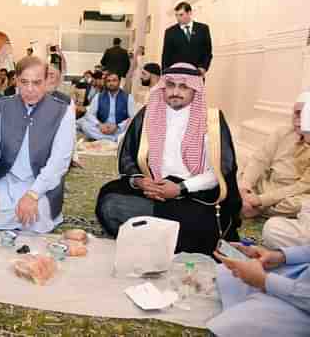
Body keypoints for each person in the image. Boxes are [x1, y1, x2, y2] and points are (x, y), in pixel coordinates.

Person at [96, 63, 242, 255]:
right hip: (152, 190)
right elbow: (128, 157)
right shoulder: (147, 114)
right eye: (170, 85)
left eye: (183, 87)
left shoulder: (212, 120)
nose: (175, 92)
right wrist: (141, 181)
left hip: (192, 196)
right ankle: (164, 237)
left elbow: (220, 170)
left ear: (195, 89)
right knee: (110, 205)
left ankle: (152, 235)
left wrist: (180, 188)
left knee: (202, 227)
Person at [0, 56, 75, 233]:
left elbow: (60, 161)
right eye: (24, 82)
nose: (30, 89)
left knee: (36, 219)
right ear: (16, 81)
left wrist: (33, 194)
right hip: (6, 180)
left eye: (37, 82)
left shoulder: (63, 110)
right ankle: (9, 216)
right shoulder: (2, 106)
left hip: (40, 185)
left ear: (46, 81)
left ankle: (17, 217)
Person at [207, 243, 310, 337]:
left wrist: (265, 281)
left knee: (240, 323)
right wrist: (281, 256)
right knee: (229, 276)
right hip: (301, 272)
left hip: (303, 305)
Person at [240, 94, 310, 219]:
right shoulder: (282, 132)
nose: (297, 119)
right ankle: (249, 202)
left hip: (291, 195)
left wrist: (261, 200)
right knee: (241, 170)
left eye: (303, 114)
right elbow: (260, 159)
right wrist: (245, 187)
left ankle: (255, 208)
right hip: (266, 185)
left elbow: (302, 187)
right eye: (296, 113)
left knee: (302, 205)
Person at [76, 72, 134, 142]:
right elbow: (90, 114)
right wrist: (100, 125)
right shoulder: (99, 96)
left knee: (130, 128)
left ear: (119, 81)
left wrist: (117, 126)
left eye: (114, 80)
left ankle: (103, 138)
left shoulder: (128, 97)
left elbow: (132, 118)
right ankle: (113, 139)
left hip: (118, 129)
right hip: (102, 128)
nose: (111, 83)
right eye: (108, 81)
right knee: (84, 123)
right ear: (106, 83)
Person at [161, 1, 212, 76]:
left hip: (196, 72)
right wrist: (165, 73)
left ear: (189, 13)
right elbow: (166, 55)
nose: (178, 18)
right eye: (176, 15)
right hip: (176, 73)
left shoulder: (203, 29)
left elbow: (207, 51)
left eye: (181, 15)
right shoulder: (170, 31)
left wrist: (203, 68)